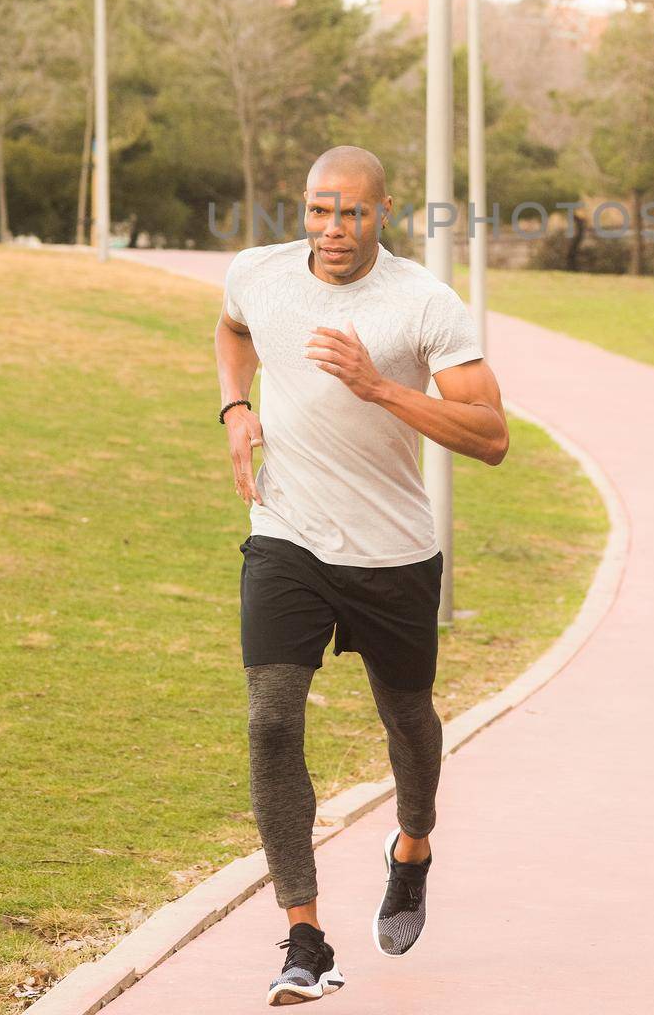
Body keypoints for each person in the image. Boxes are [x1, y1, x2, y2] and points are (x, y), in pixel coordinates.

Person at [214, 145, 509, 1005]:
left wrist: (380, 388)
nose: (331, 229)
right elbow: (233, 330)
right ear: (300, 209)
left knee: (407, 718)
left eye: (350, 213)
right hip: (287, 536)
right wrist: (237, 407)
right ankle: (305, 935)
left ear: (385, 212)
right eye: (317, 210)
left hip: (392, 552)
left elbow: (490, 436)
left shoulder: (423, 301)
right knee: (271, 722)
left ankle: (412, 844)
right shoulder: (257, 274)